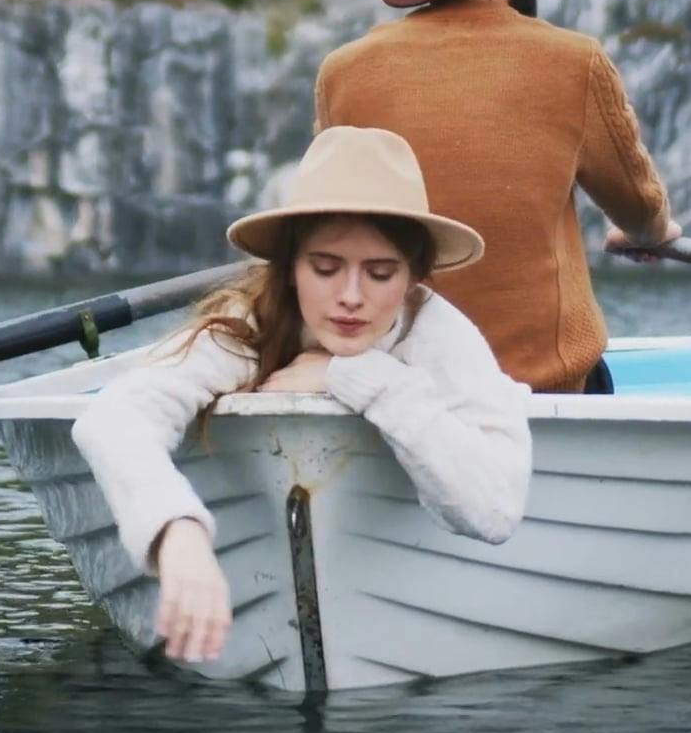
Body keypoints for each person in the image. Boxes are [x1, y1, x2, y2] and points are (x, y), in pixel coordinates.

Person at [70, 125, 532, 665]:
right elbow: (112, 418)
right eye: (325, 268)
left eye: (380, 273)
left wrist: (359, 375)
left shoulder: (439, 335)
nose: (351, 298)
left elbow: (495, 510)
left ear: (413, 278)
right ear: (289, 270)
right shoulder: (245, 327)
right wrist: (178, 535)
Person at [314, 0, 680, 394]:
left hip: (398, 392)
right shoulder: (573, 62)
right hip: (545, 392)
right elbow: (641, 212)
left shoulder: (343, 73)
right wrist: (652, 230)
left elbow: (324, 229)